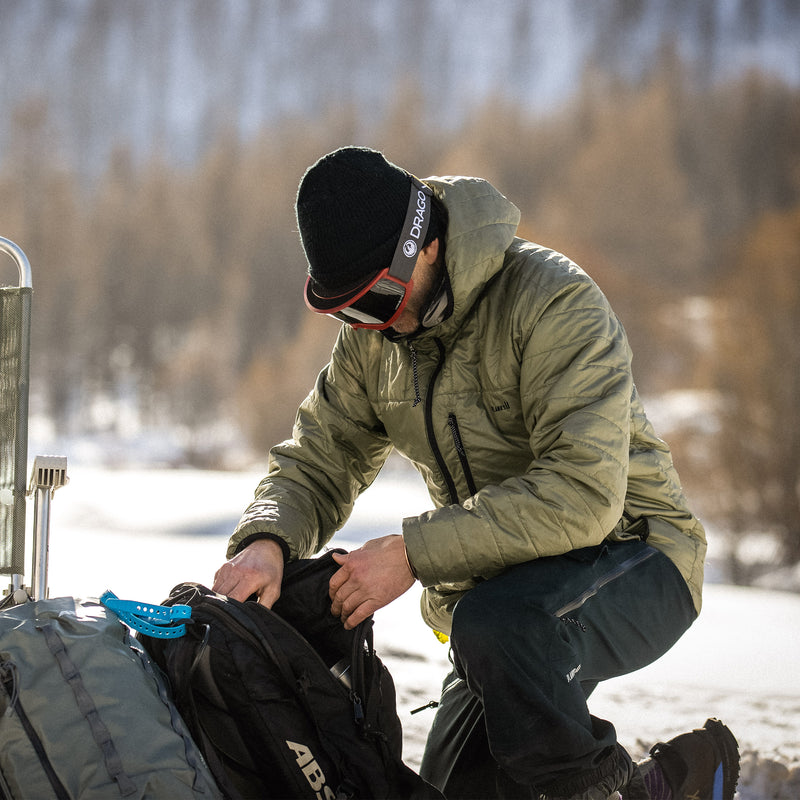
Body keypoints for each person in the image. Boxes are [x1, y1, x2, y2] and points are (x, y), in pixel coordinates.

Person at [213, 147, 739, 799]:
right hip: (495, 609)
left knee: (500, 627)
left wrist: (412, 552)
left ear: (425, 245)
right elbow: (319, 455)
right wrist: (267, 541)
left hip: (637, 557)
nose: (372, 325)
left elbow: (584, 493)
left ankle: (641, 793)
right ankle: (695, 775)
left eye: (378, 299)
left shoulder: (552, 300)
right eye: (348, 312)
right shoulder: (375, 343)